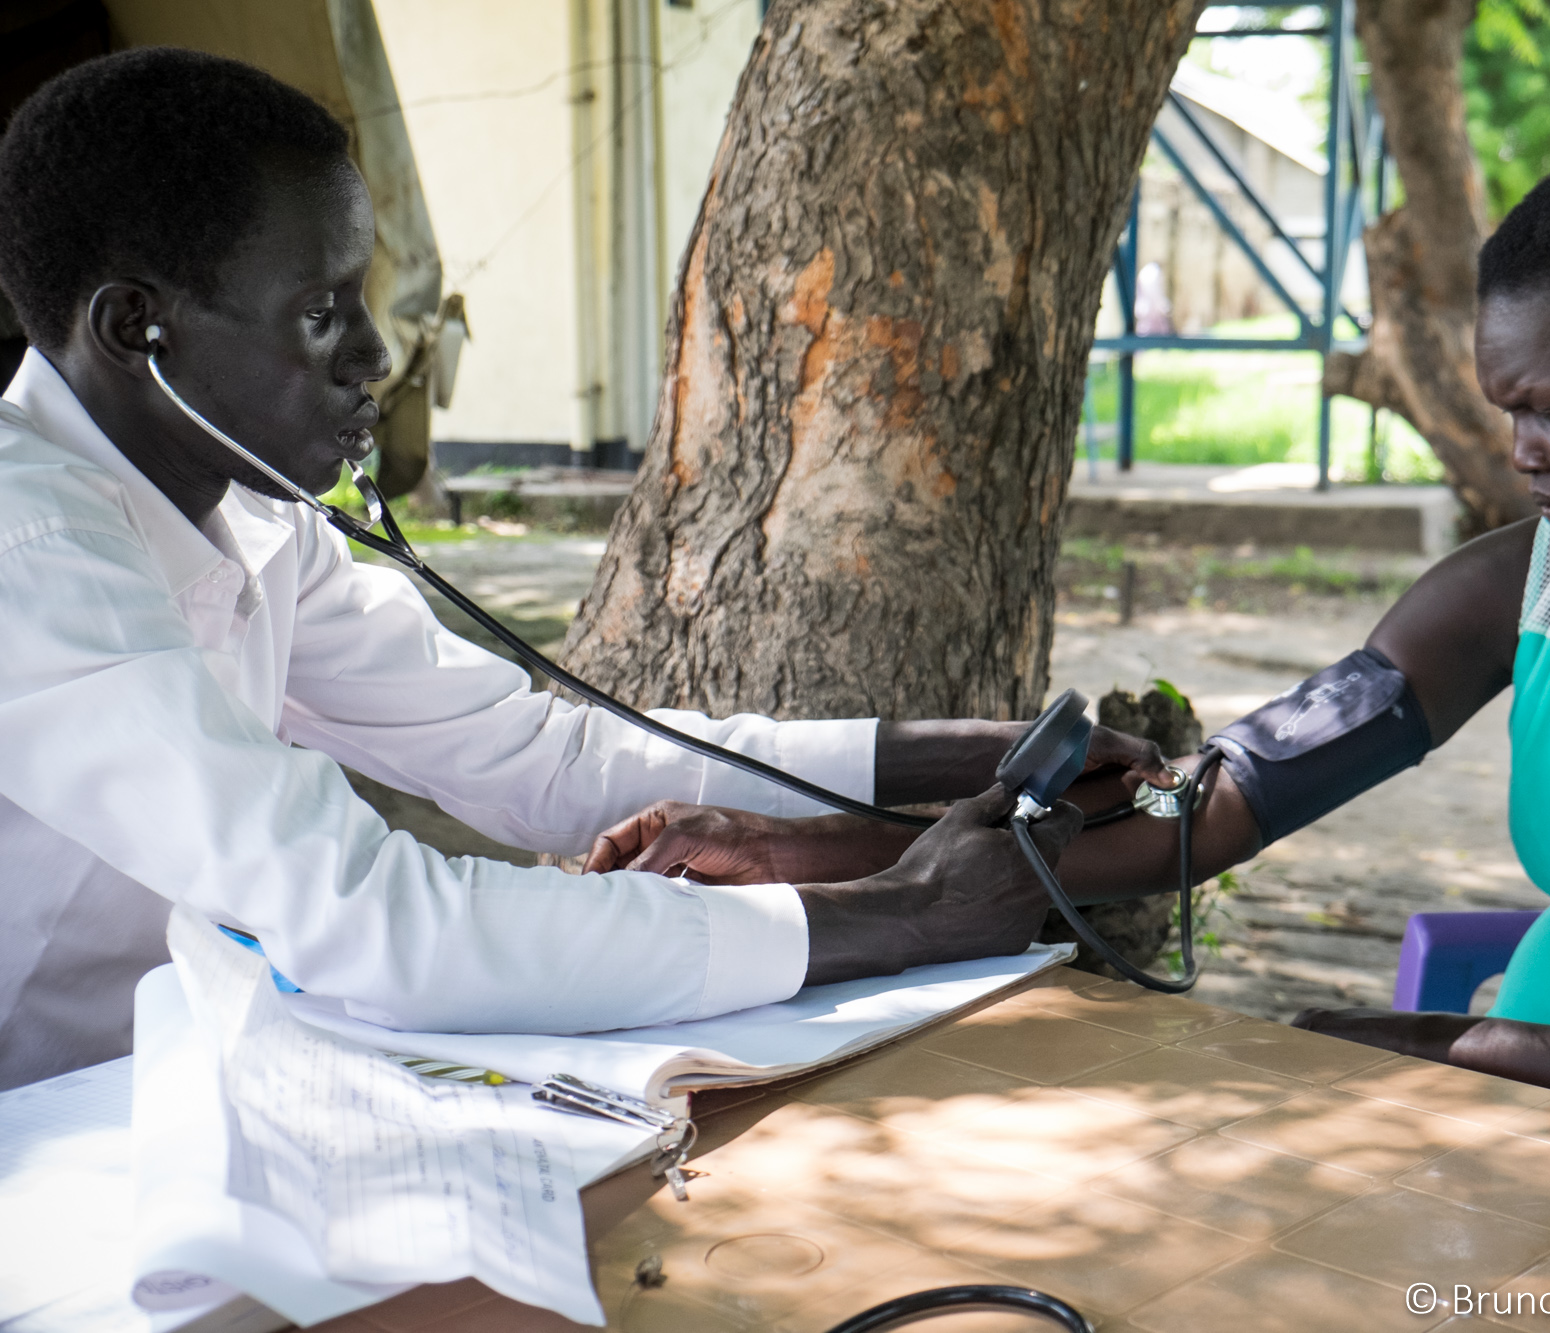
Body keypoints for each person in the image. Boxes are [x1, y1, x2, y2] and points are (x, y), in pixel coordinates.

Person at [620, 156, 1550, 1182]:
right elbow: (1226, 798)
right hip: (1525, 1125)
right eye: (1503, 409)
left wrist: (1461, 1052)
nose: (1518, 449)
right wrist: (820, 849)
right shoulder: (1532, 580)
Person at [0, 48, 1168, 1092]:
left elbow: (533, 755)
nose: (374, 352)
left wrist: (954, 751)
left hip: (132, 1100)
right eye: (320, 311)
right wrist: (899, 915)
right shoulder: (30, 552)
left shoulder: (253, 514)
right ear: (133, 328)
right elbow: (369, 916)